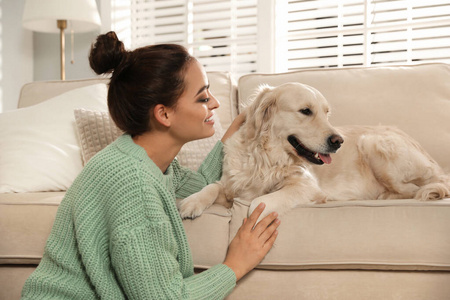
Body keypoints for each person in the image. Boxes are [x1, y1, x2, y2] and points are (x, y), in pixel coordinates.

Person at [21, 31, 280, 300]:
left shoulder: (146, 160)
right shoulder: (134, 182)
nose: (214, 103)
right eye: (203, 98)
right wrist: (235, 264)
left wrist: (233, 136)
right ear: (164, 114)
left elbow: (200, 184)